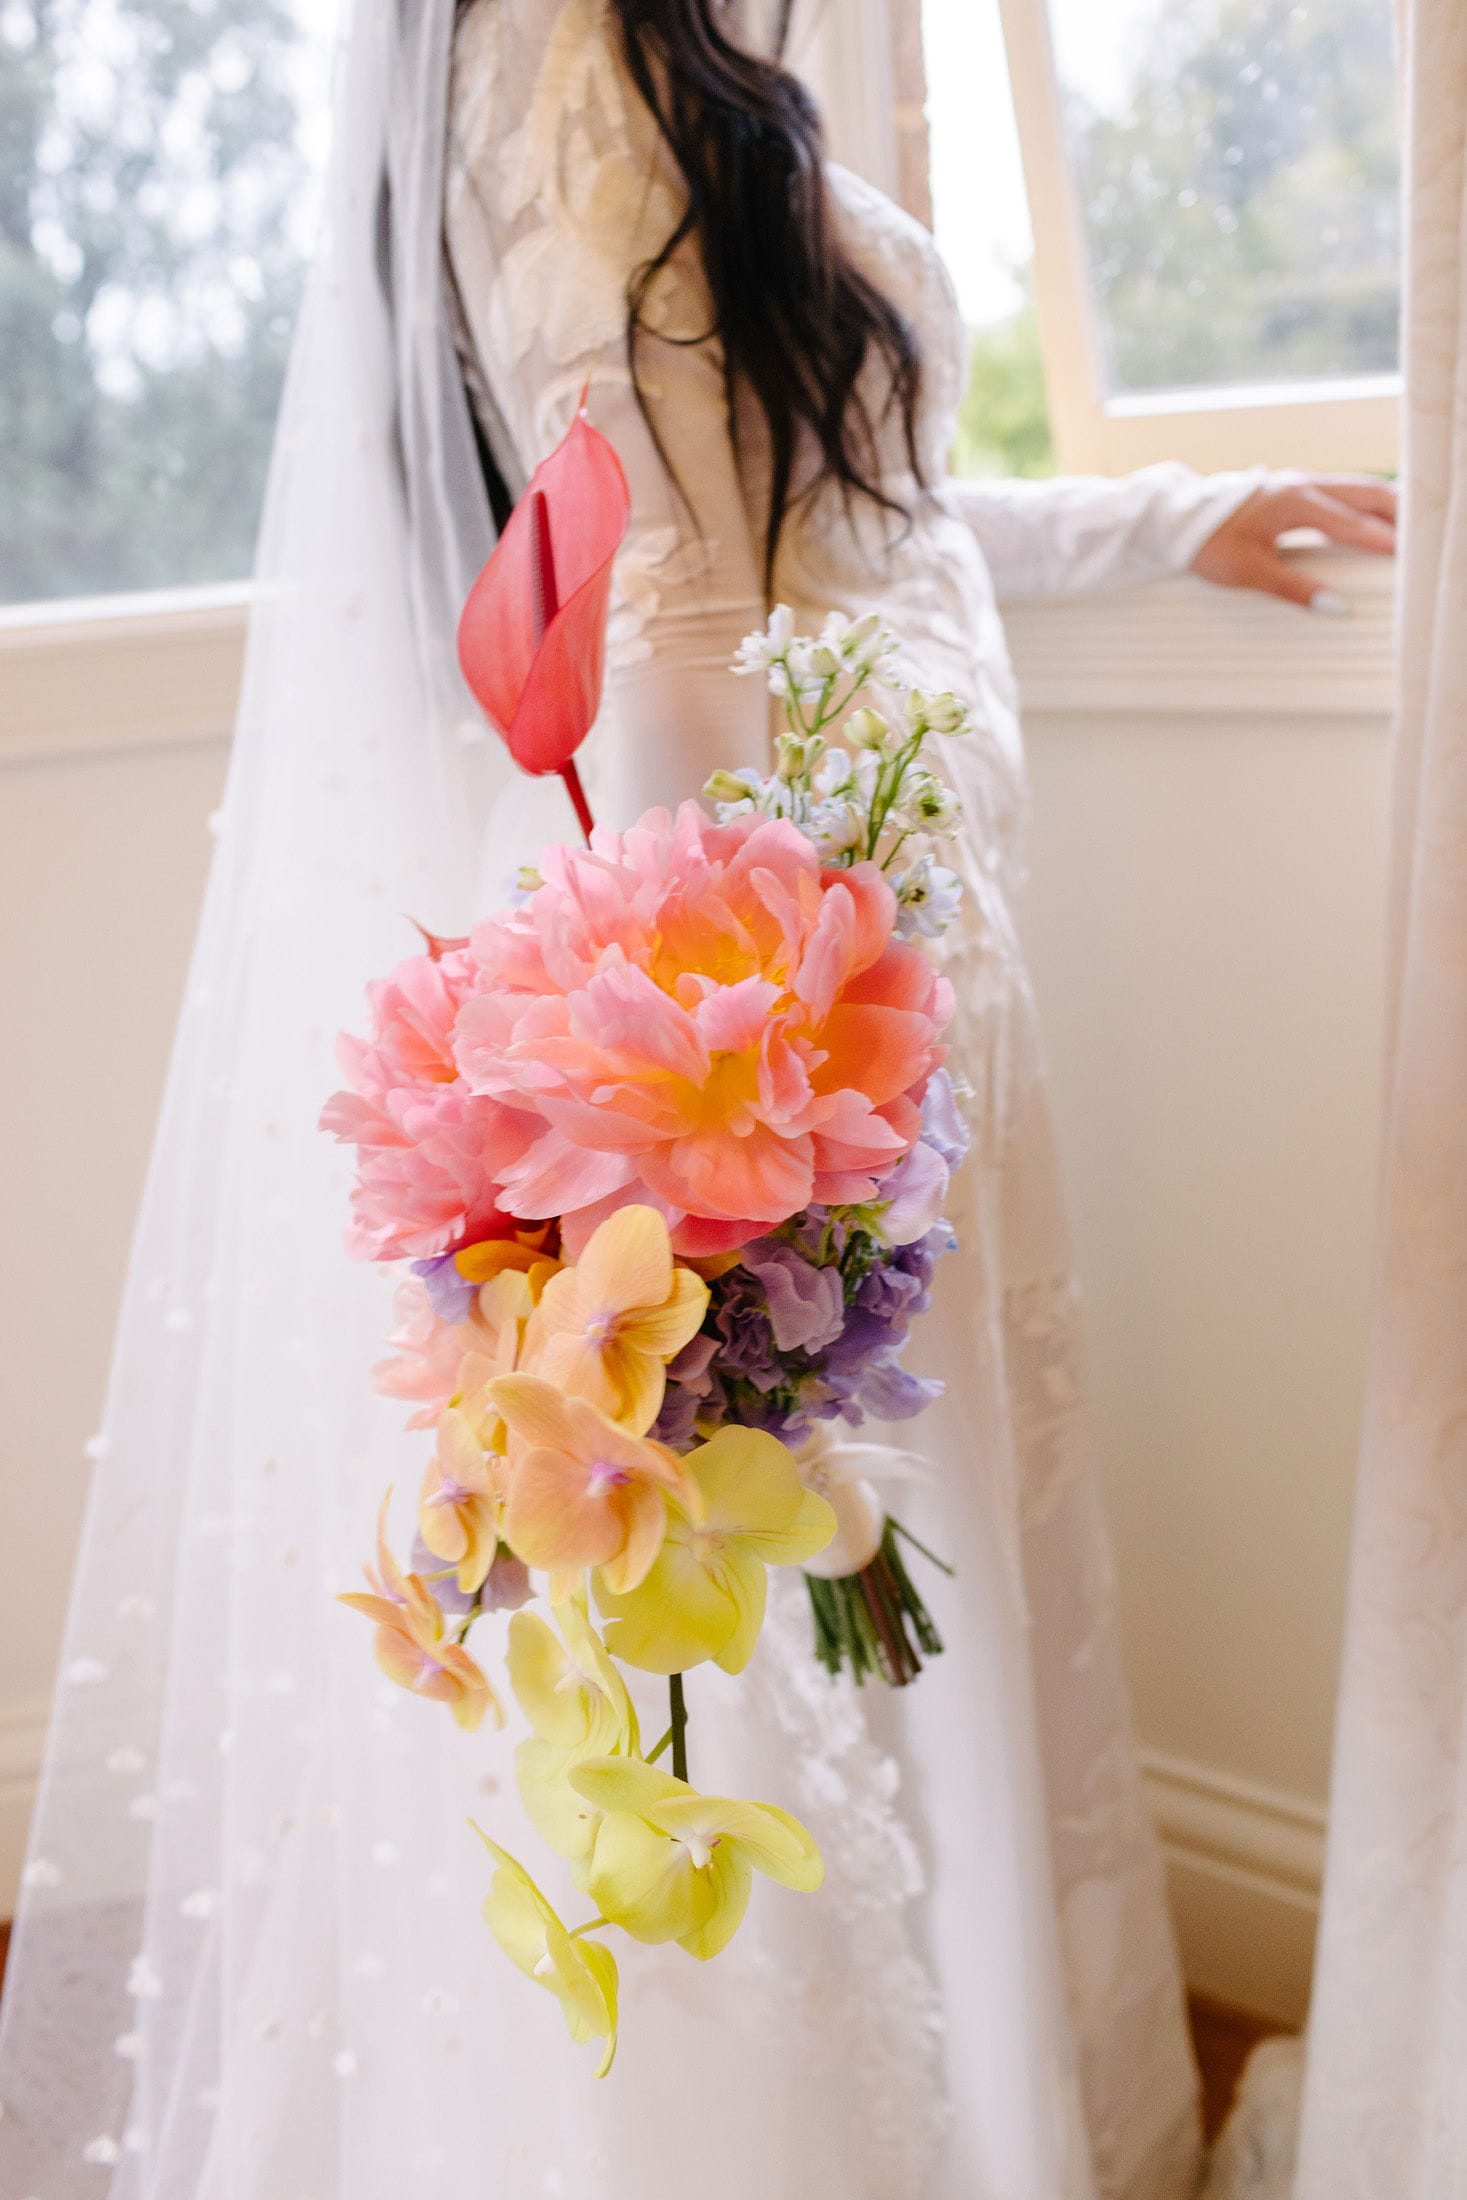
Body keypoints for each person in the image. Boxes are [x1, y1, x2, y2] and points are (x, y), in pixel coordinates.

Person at [0, 4, 1394, 2198]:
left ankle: (1015, 2103)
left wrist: (1171, 513)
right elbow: (657, 616)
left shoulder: (682, 47)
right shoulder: (560, 50)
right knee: (819, 1587)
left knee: (952, 1557)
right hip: (775, 1011)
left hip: (870, 963)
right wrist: (736, 1103)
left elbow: (862, 511)